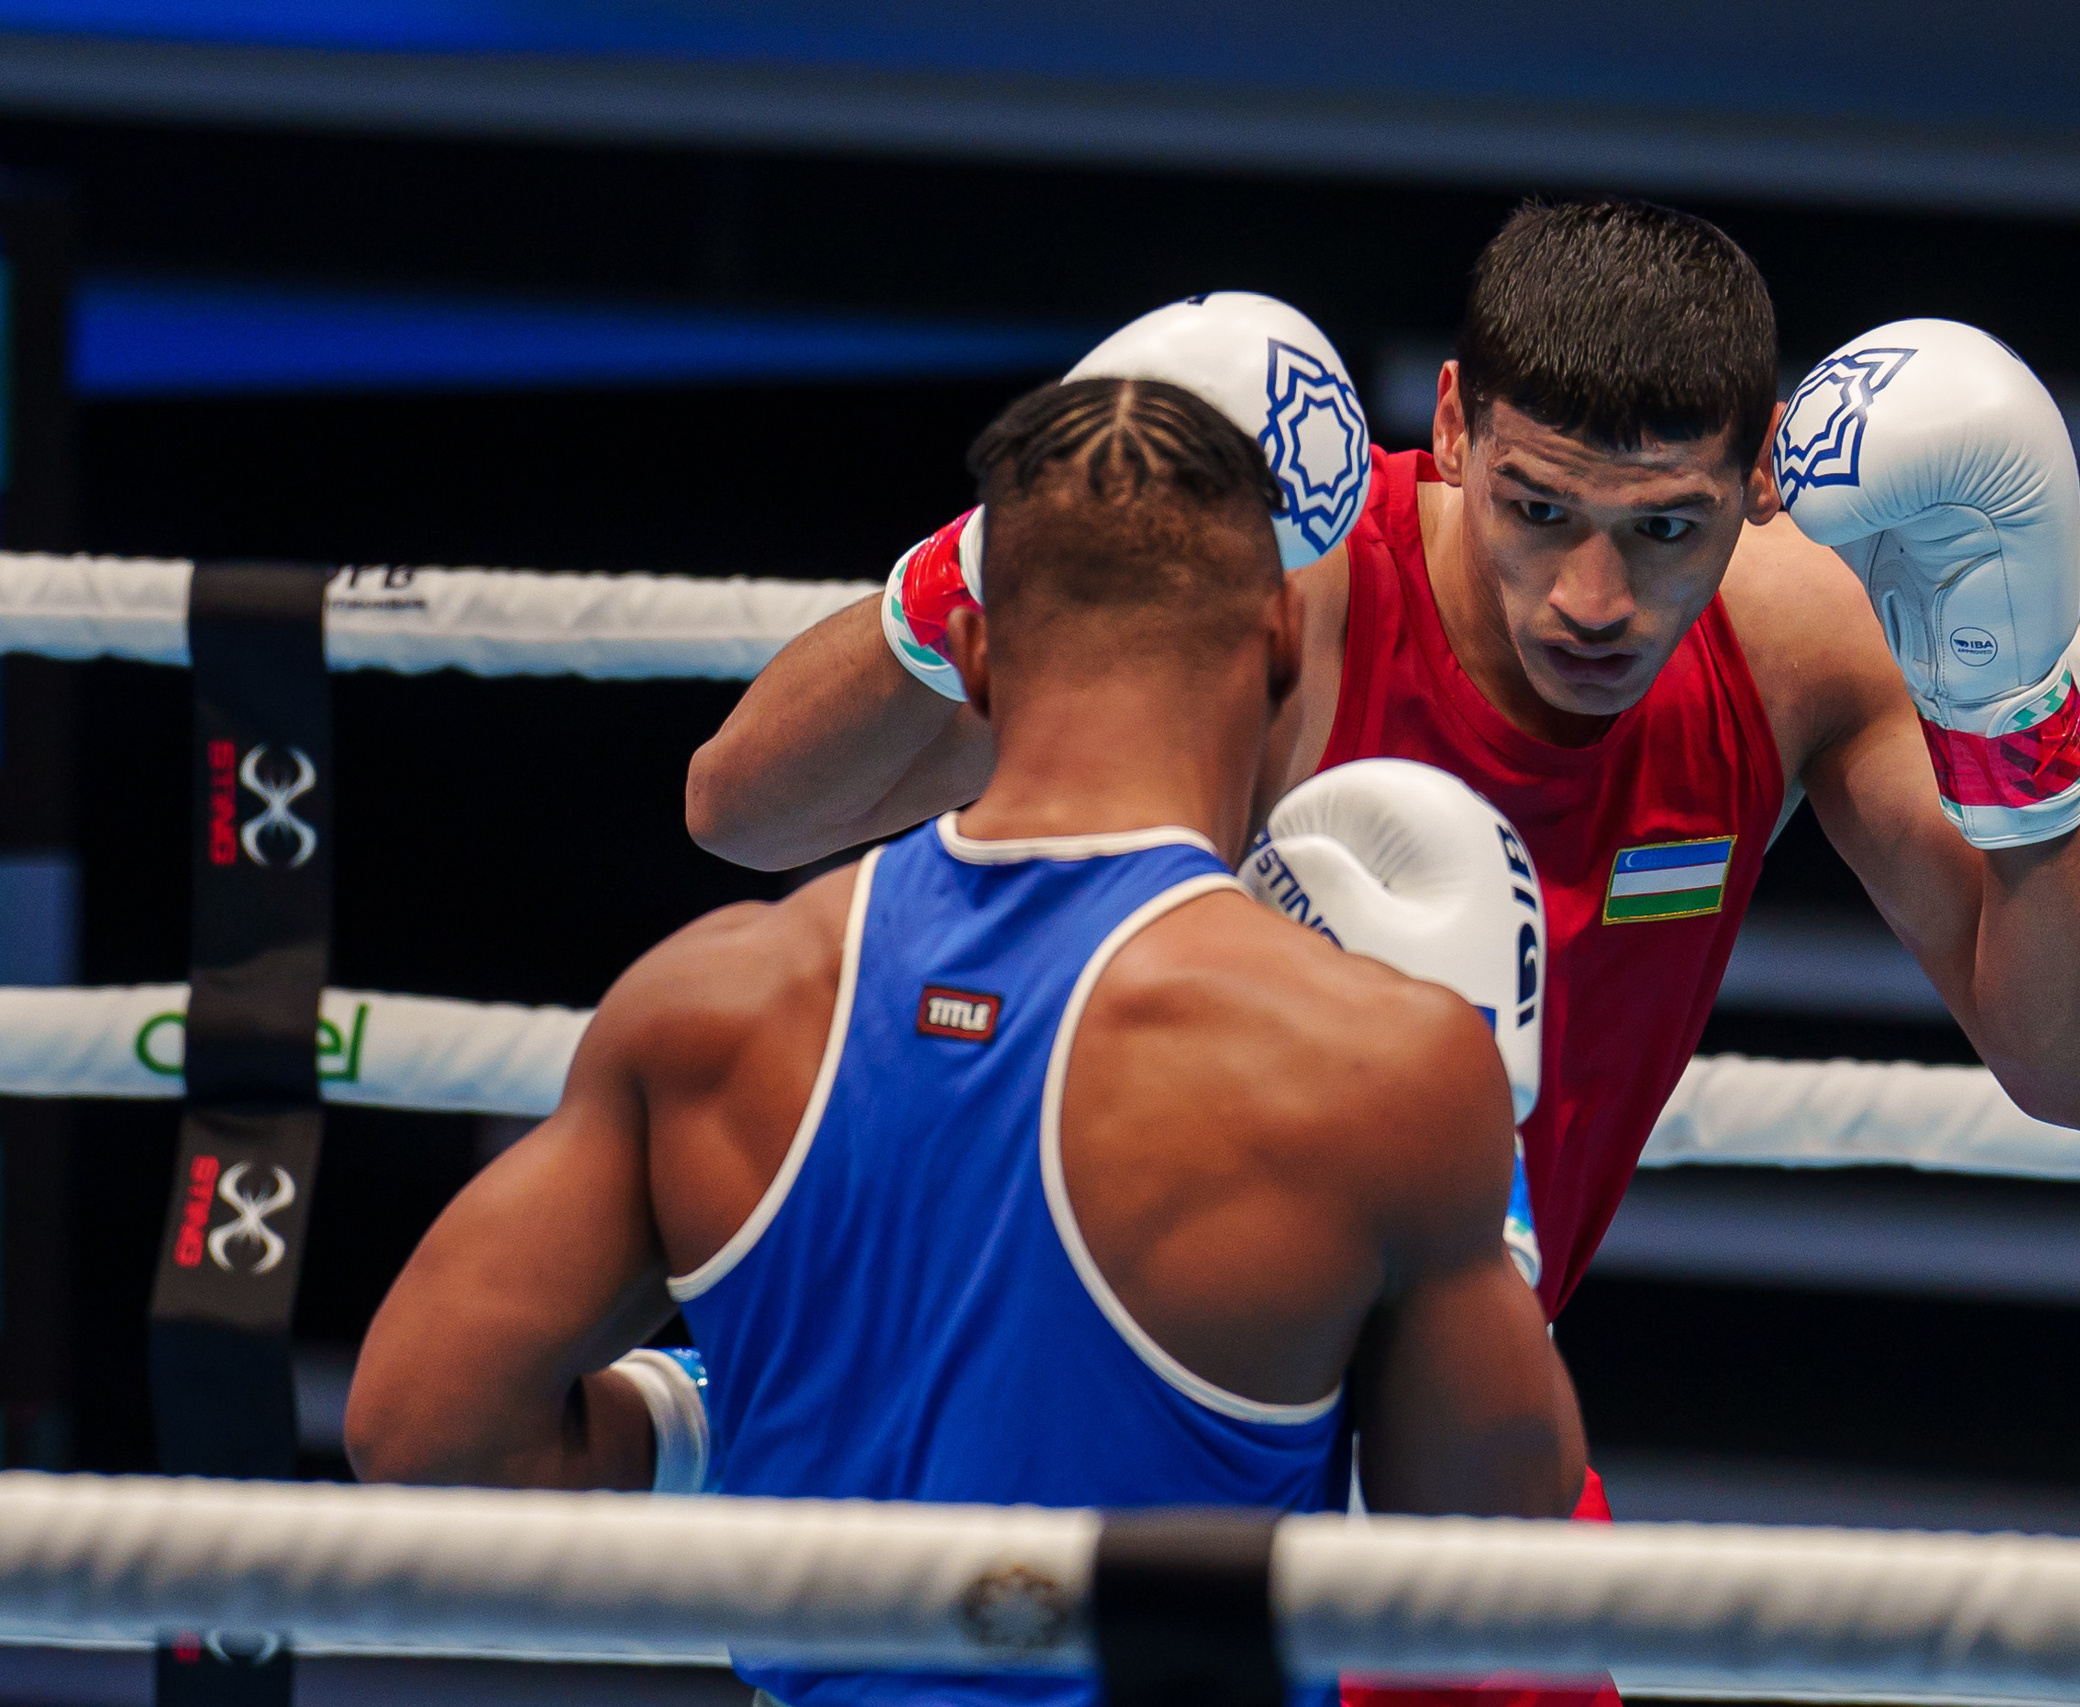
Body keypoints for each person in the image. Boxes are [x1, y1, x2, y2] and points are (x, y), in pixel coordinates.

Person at [685, 198, 2080, 1333]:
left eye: (1664, 528)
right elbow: (744, 814)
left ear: (1763, 472)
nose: (1593, 597)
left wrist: (2009, 713)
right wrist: (1018, 545)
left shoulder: (1794, 649)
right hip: (1122, 1364)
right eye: (1539, 509)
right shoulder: (1294, 603)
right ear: (1452, 427)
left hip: (1455, 1414)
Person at [344, 375, 1588, 1707]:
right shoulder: (1375, 1065)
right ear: (1282, 637)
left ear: (976, 653)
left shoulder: (714, 1006)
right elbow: (1488, 1564)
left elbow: (421, 1430)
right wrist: (1494, 1197)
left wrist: (726, 1413)